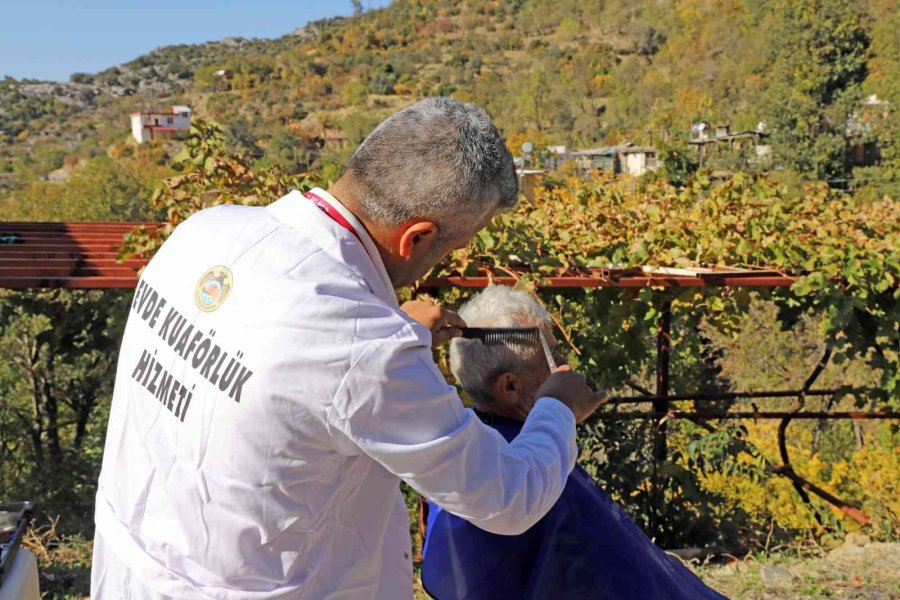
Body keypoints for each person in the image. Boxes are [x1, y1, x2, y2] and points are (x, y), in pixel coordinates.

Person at [91, 98, 602, 600]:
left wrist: (393, 335)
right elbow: (508, 497)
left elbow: (283, 365)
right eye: (456, 244)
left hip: (133, 571)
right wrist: (558, 406)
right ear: (417, 238)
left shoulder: (204, 232)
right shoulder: (368, 348)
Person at [421, 285, 728, 600]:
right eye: (553, 358)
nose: (567, 369)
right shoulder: (513, 470)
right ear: (510, 386)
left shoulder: (468, 451)